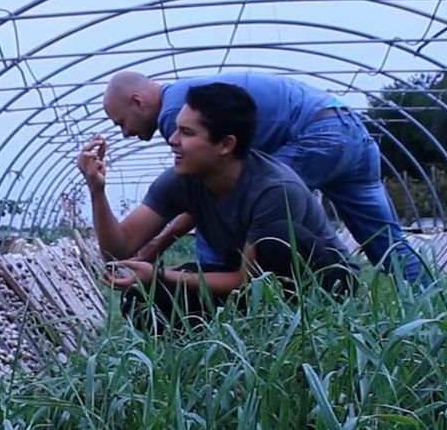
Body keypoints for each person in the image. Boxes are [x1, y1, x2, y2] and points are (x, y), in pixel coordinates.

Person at [78, 82, 356, 332]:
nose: (173, 139)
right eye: (176, 128)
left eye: (186, 132)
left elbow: (246, 280)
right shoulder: (180, 180)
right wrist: (97, 189)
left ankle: (297, 332)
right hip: (248, 279)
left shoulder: (275, 188)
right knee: (143, 298)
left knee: (277, 239)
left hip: (322, 283)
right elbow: (119, 248)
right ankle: (215, 346)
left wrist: (161, 274)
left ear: (225, 144)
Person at [101, 70, 424, 283]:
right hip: (349, 127)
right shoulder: (184, 94)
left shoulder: (176, 112)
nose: (125, 133)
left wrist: (160, 244)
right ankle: (429, 304)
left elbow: (206, 191)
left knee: (247, 212)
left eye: (121, 122)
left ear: (137, 101)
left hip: (316, 133)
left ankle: (224, 306)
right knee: (385, 239)